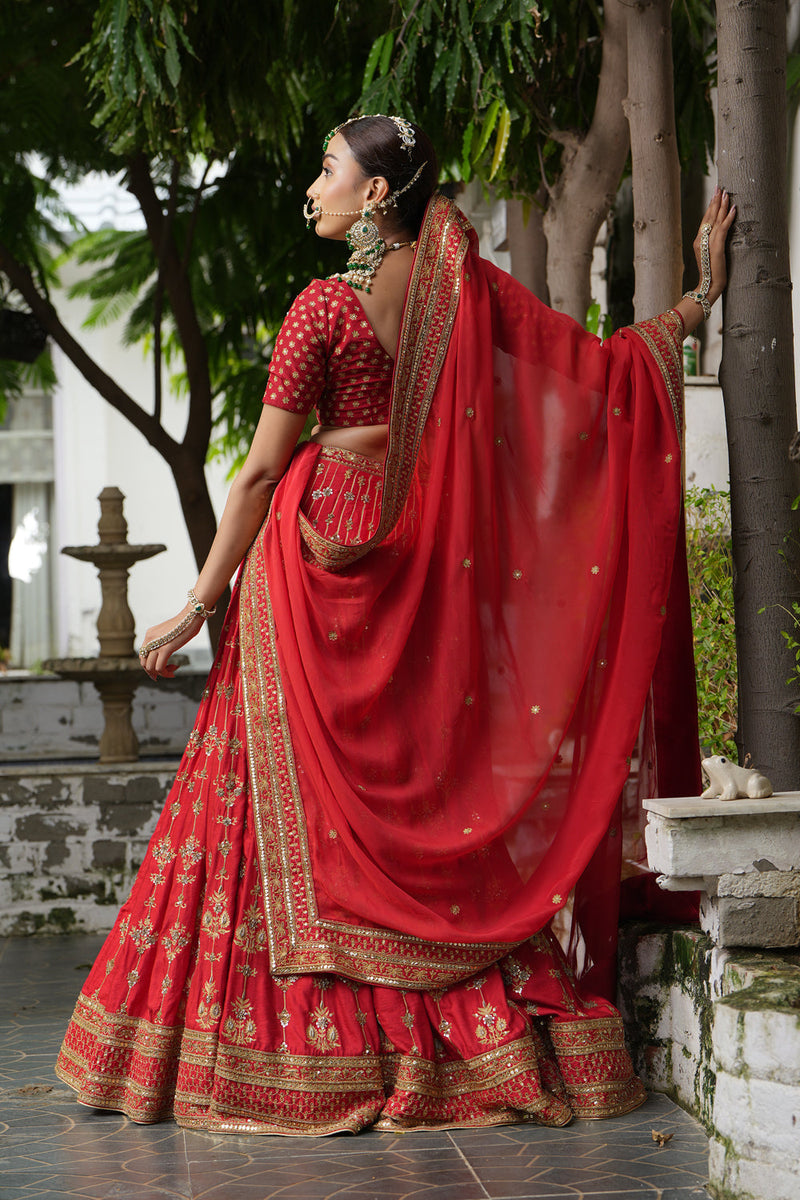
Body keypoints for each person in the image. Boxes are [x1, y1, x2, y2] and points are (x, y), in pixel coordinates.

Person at [56, 115, 735, 1135]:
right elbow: (588, 376)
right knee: (419, 796)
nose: (309, 187)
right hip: (415, 583)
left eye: (326, 168)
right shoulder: (461, 295)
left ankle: (271, 1055)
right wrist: (695, 302)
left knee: (262, 799)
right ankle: (467, 1032)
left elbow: (254, 475)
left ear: (375, 194)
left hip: (310, 578)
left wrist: (199, 600)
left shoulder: (321, 311)